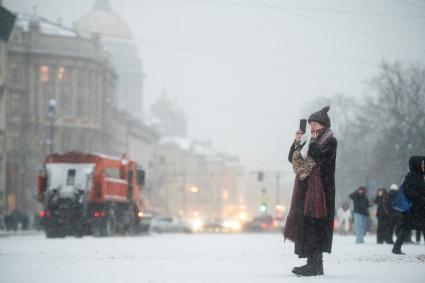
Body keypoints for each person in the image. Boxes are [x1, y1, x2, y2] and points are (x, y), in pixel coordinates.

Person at [284, 106, 337, 276]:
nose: (311, 127)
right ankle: (313, 263)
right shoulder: (311, 140)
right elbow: (292, 159)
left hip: (321, 191)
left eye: (314, 123)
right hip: (306, 191)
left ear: (323, 125)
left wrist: (313, 143)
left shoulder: (330, 141)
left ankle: (314, 264)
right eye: (310, 124)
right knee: (308, 225)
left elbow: (320, 159)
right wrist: (297, 141)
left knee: (316, 226)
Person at [392, 156, 425, 254]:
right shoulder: (412, 176)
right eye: (422, 164)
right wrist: (420, 198)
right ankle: (396, 248)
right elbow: (408, 190)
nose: (423, 166)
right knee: (407, 227)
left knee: (409, 227)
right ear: (417, 165)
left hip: (419, 207)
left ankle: (396, 248)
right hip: (414, 208)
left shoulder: (420, 175)